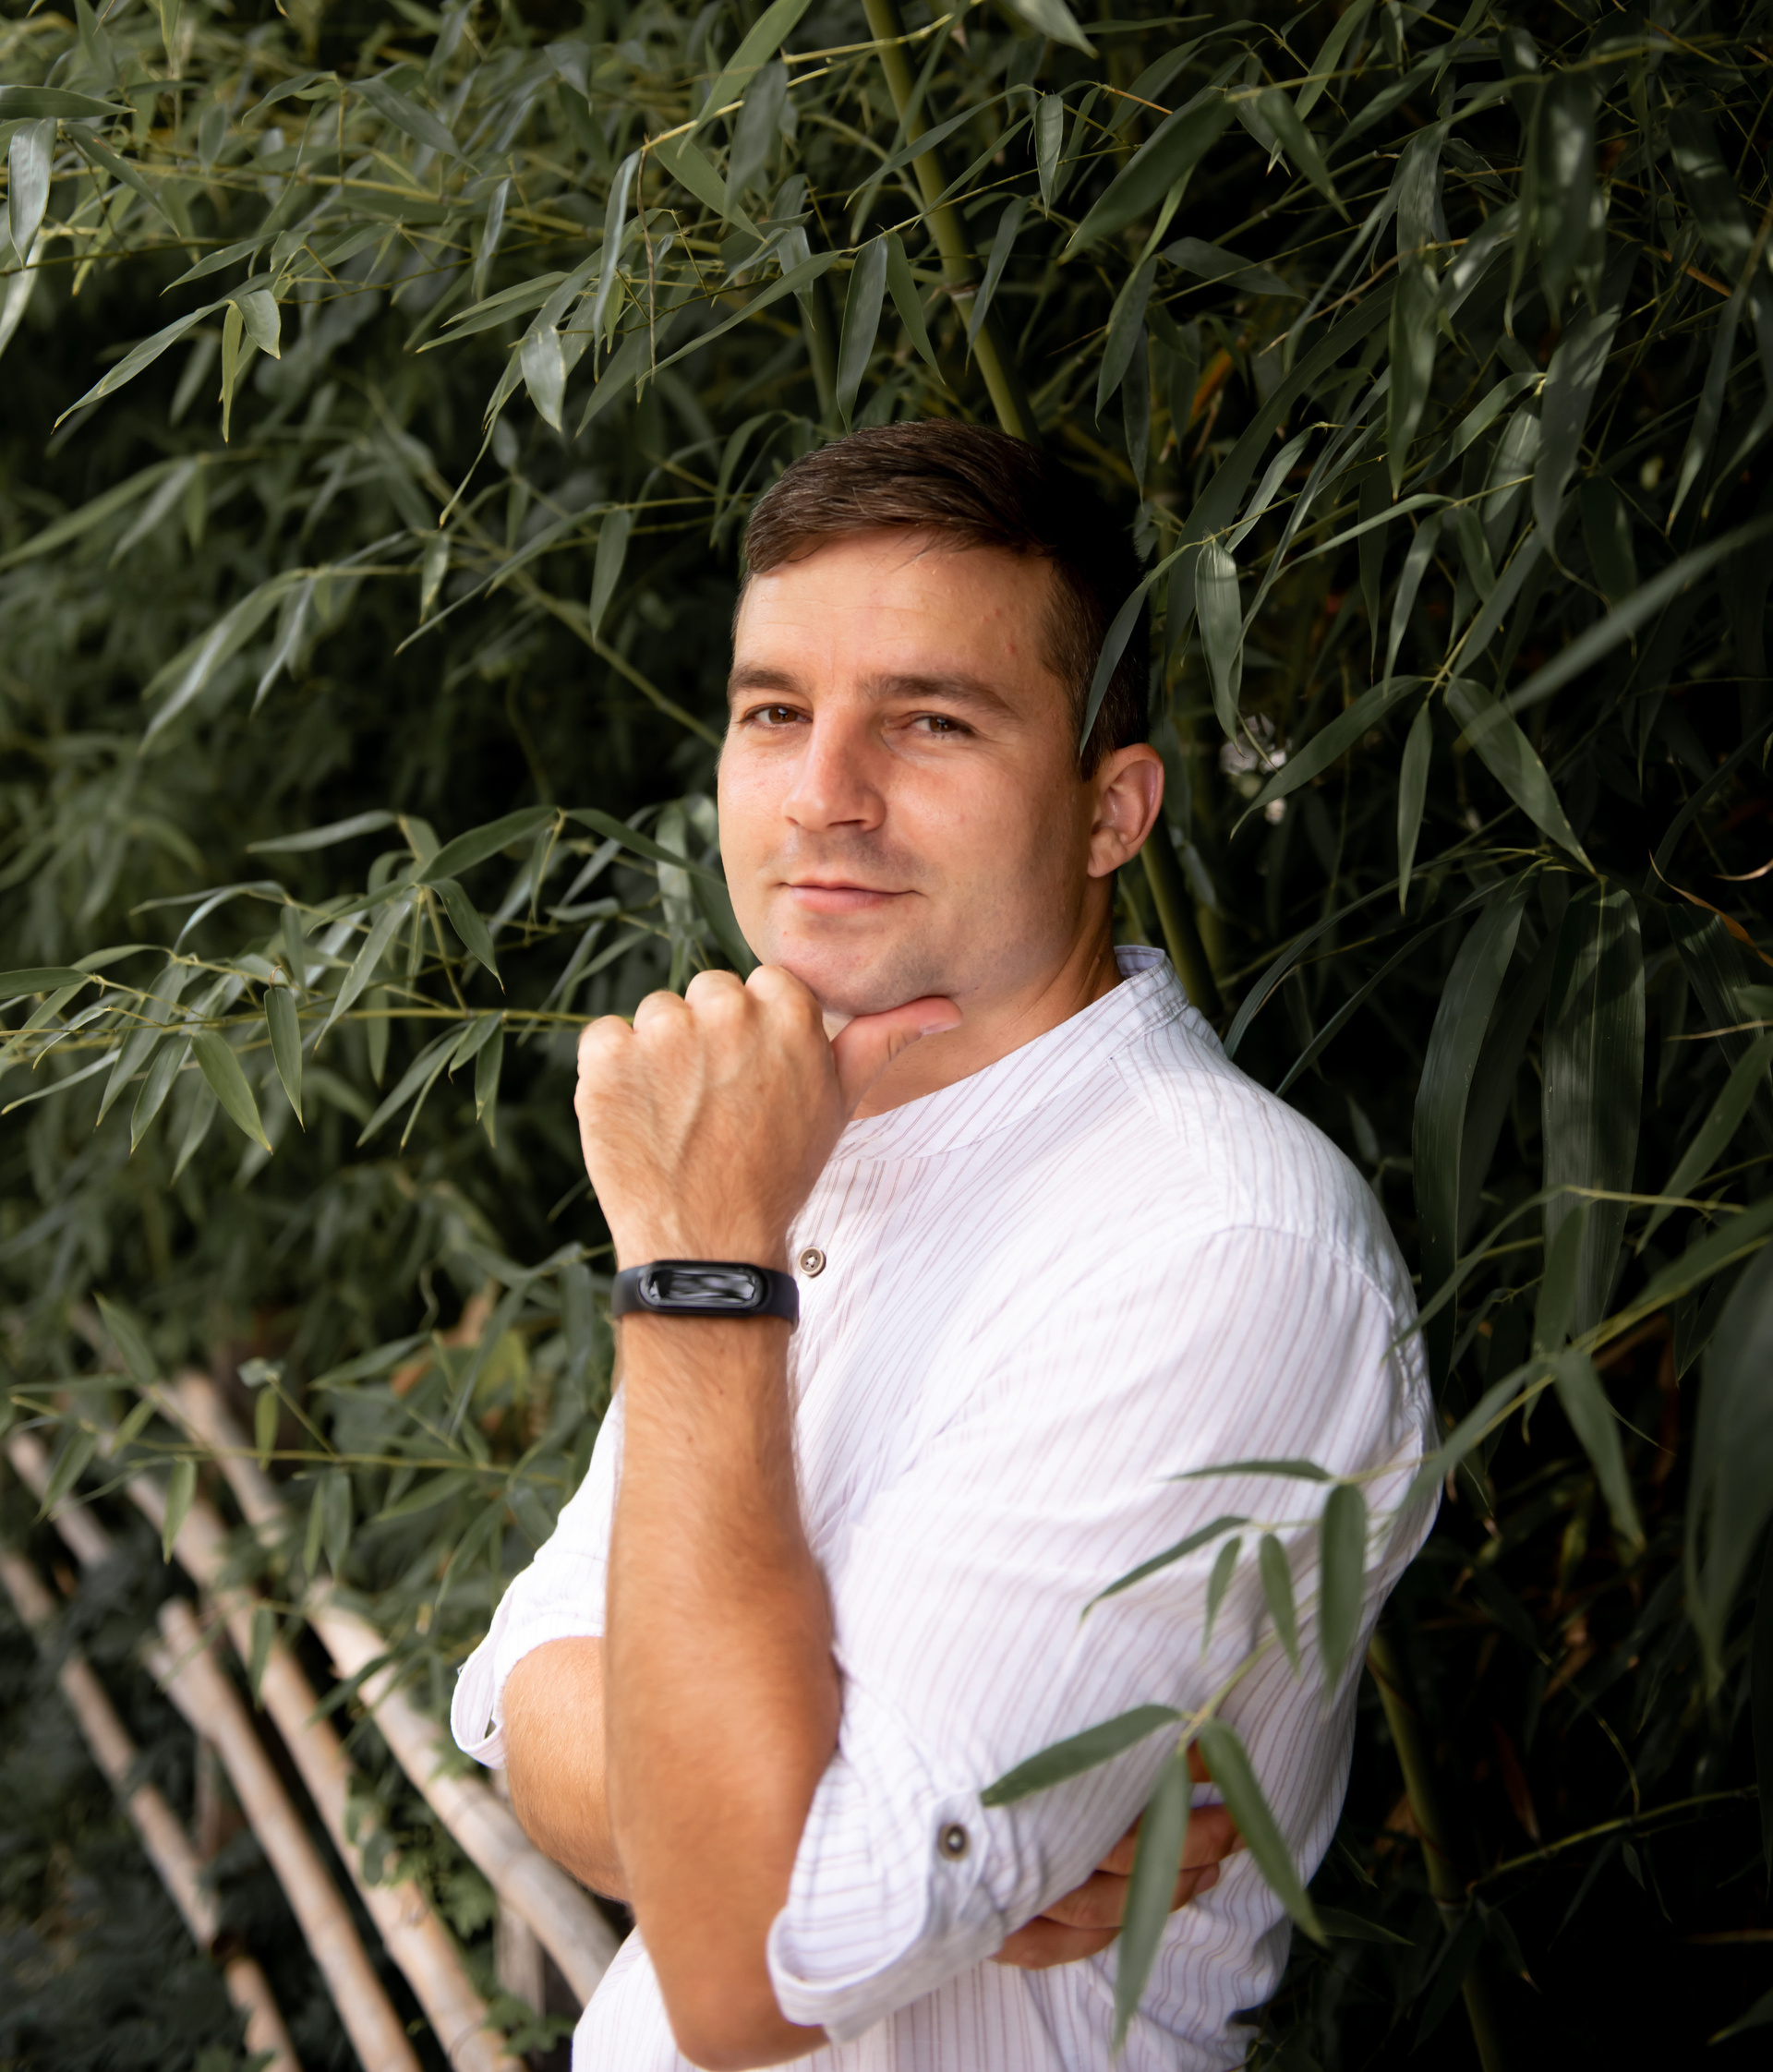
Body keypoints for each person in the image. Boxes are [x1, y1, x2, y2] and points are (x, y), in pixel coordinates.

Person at [451, 421, 1436, 2072]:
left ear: (1111, 810)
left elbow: (750, 1966)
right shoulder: (787, 1149)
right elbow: (513, 1697)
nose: (823, 794)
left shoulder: (1213, 1244)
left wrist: (700, 1269)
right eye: (776, 712)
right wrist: (773, 1831)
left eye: (931, 720)